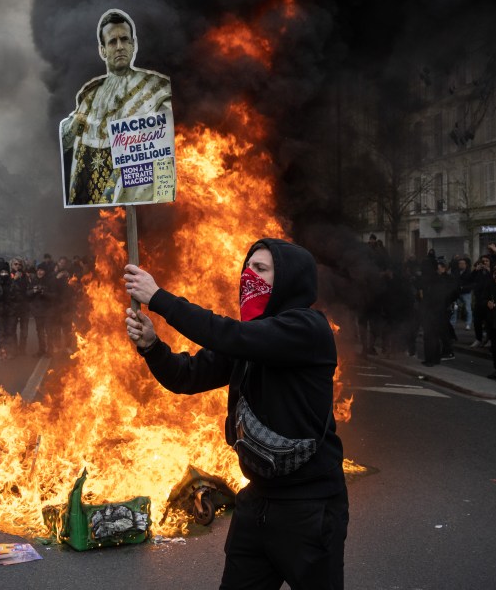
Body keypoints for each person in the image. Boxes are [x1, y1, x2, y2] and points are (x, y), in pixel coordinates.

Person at [123, 239, 347, 589]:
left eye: (261, 269)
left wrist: (159, 298)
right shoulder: (249, 340)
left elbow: (230, 335)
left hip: (310, 506)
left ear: (288, 280)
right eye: (246, 268)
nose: (248, 276)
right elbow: (186, 376)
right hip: (257, 501)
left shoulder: (308, 329)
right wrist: (152, 347)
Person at [60, 9, 172, 206]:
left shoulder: (157, 88)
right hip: (91, 201)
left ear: (133, 44)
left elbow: (167, 141)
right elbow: (66, 140)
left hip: (135, 194)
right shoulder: (89, 95)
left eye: (124, 39)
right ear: (102, 50)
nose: (119, 46)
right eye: (112, 42)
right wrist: (72, 126)